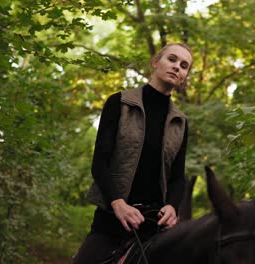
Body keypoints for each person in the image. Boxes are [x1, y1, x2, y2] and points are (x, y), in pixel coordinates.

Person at [73, 43, 193, 264]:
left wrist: (172, 207)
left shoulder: (181, 122)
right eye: (172, 59)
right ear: (156, 62)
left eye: (184, 66)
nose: (177, 67)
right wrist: (118, 204)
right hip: (110, 221)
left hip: (155, 228)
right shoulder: (119, 102)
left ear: (185, 76)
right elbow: (100, 163)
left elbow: (177, 177)